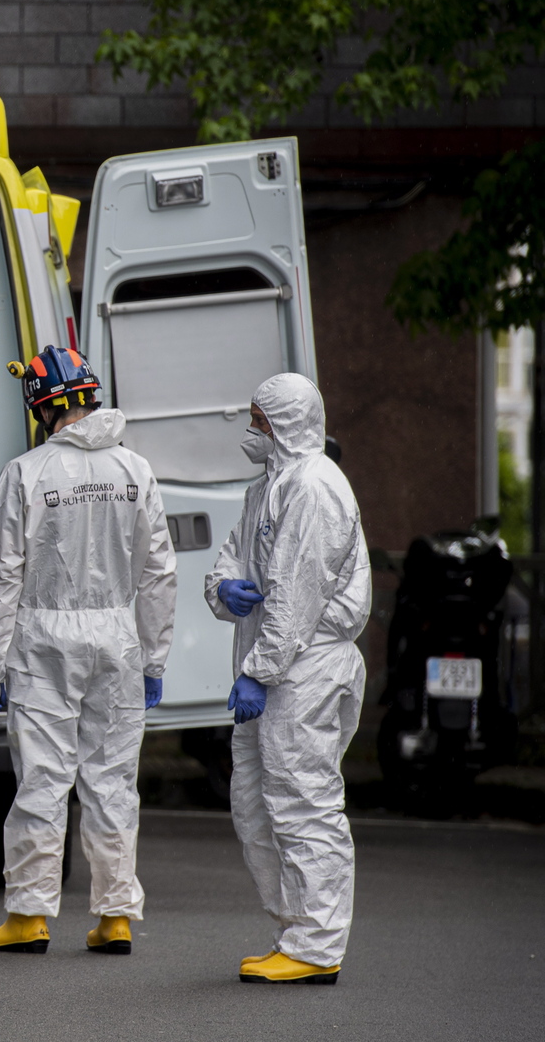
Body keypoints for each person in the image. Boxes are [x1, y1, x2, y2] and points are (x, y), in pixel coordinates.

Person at [0, 346, 176, 958]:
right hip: (118, 638)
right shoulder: (135, 470)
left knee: (43, 777)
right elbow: (158, 571)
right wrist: (154, 657)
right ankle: (115, 916)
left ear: (39, 407)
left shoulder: (26, 472)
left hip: (42, 641)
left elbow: (1, 575)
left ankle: (29, 916)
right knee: (113, 780)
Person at [205, 373, 370, 985]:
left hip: (305, 669)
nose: (252, 431)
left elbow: (299, 597)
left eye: (259, 419)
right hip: (275, 667)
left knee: (305, 803)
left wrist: (260, 672)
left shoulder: (315, 487)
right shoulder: (266, 489)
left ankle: (318, 945)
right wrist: (222, 590)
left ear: (283, 421)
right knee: (255, 806)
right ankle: (293, 930)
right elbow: (230, 562)